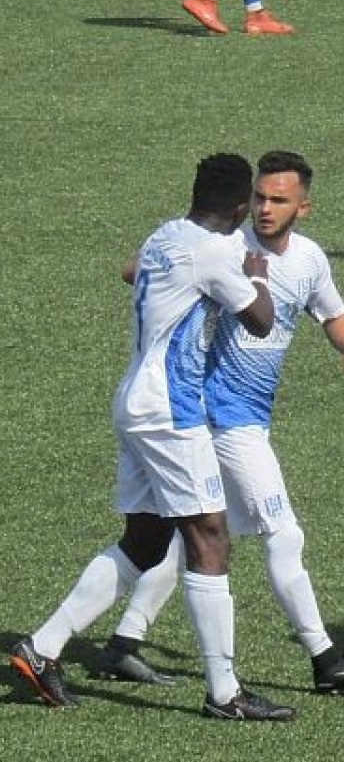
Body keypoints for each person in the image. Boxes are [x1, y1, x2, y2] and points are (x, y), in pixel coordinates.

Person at [9, 154, 298, 720]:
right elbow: (261, 319)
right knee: (210, 540)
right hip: (172, 410)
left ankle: (41, 647)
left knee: (144, 541)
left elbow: (136, 271)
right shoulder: (214, 253)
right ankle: (226, 693)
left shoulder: (165, 234)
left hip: (136, 400)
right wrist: (257, 272)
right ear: (241, 206)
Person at [94, 151, 344, 695]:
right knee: (283, 532)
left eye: (278, 200)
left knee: (195, 537)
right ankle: (324, 658)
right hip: (221, 418)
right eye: (259, 197)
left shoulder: (309, 258)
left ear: (303, 208)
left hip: (247, 414)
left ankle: (121, 645)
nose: (264, 208)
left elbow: (330, 310)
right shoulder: (227, 246)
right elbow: (137, 269)